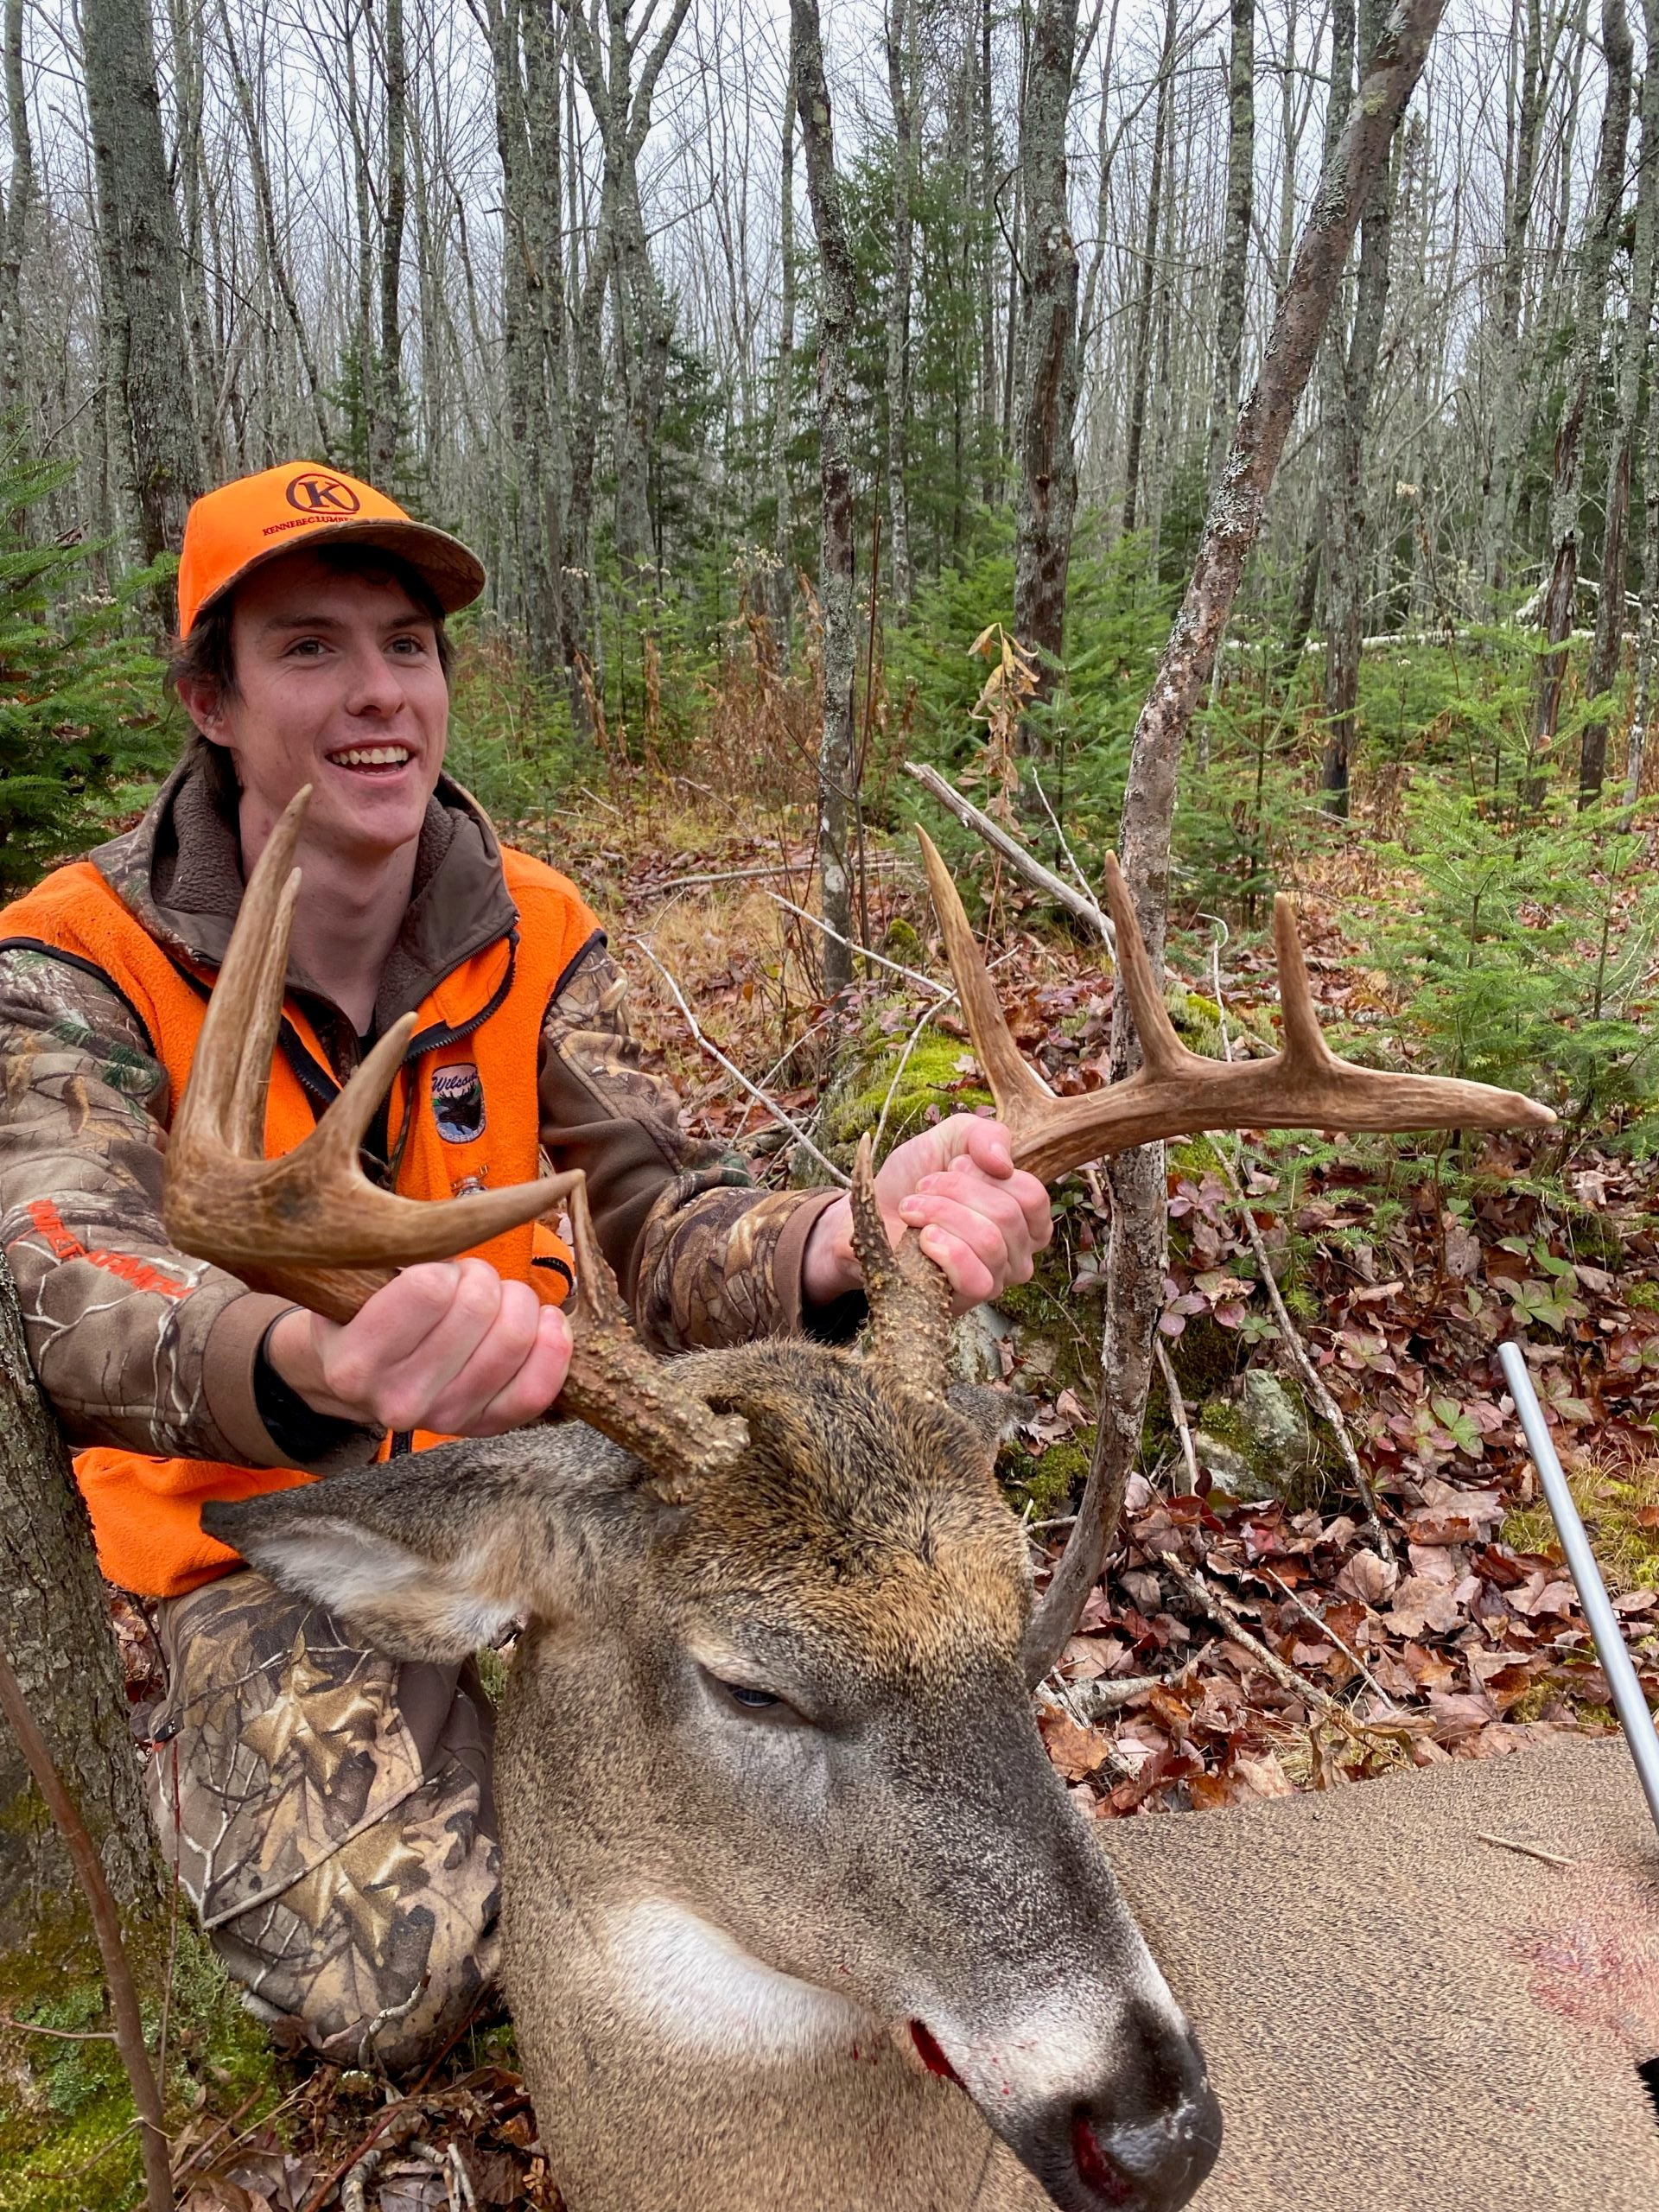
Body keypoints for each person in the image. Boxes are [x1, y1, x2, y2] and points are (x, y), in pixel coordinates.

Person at [0, 462, 1052, 2069]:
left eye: (408, 645)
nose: (377, 693)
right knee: (409, 1982)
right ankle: (204, 1790)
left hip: (567, 1496)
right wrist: (309, 1364)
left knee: (889, 1780)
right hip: (276, 1541)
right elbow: (63, 1280)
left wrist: (848, 1237)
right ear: (208, 697)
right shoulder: (74, 959)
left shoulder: (529, 926)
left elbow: (660, 1217)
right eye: (311, 648)